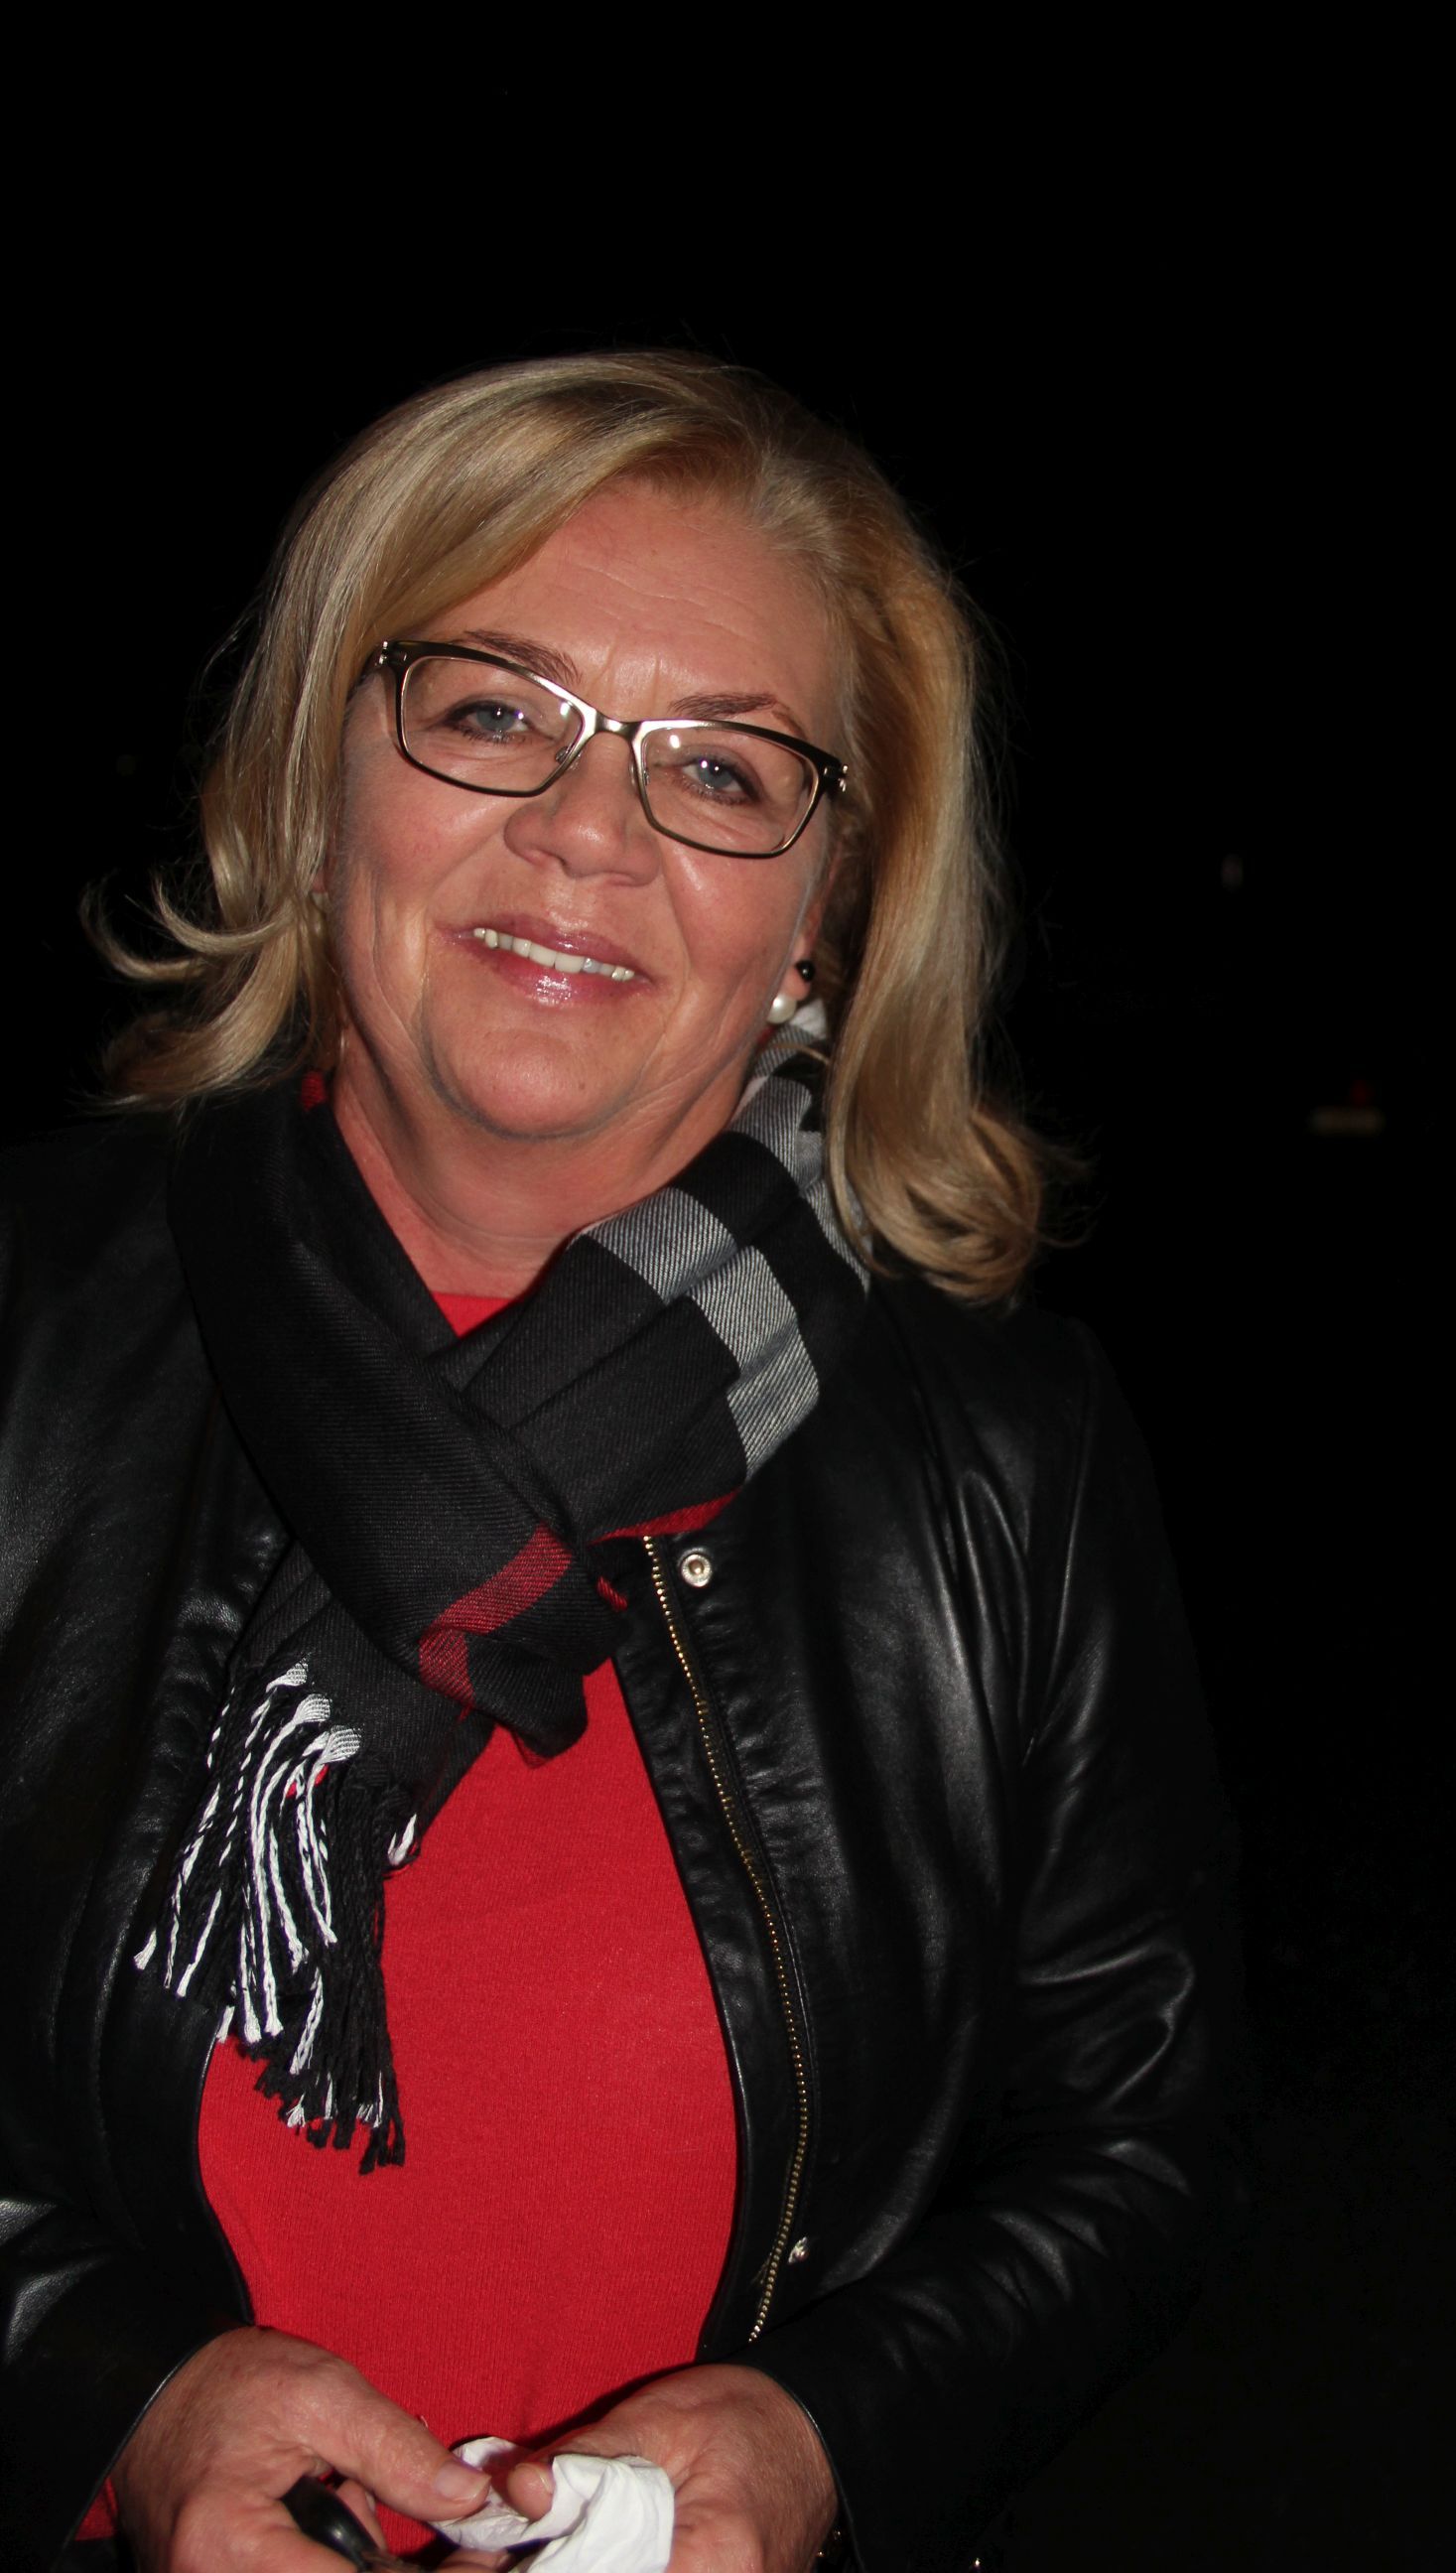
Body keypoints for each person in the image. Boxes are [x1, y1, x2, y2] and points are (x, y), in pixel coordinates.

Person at [0, 351, 1239, 2573]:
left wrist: (822, 2436)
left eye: (724, 769)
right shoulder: (28, 1326)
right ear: (319, 779)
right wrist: (120, 2399)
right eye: (494, 711)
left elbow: (1136, 2139)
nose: (591, 832)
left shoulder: (1004, 1448)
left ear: (828, 912)